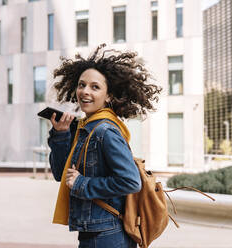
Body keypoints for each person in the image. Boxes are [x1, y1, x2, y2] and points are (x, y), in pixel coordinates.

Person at [47, 44, 162, 248]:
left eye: (95, 87)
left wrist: (84, 184)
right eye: (81, 85)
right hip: (95, 231)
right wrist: (61, 135)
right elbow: (60, 174)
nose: (85, 91)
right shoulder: (85, 128)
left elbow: (130, 182)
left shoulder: (104, 132)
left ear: (108, 95)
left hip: (108, 234)